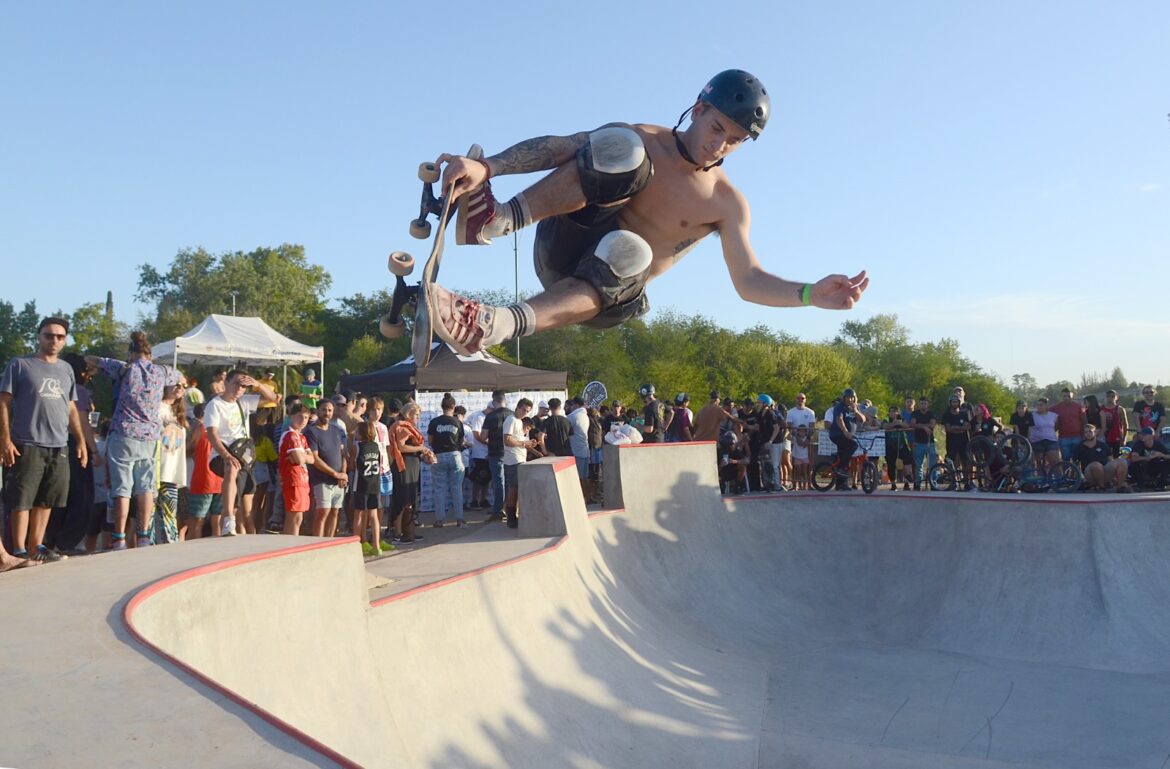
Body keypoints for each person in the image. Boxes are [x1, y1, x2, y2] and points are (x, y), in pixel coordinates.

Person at [425, 70, 868, 355]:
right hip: (562, 245)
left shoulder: (726, 203)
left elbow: (749, 280)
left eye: (733, 140)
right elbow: (562, 146)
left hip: (606, 294)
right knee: (622, 148)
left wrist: (810, 294)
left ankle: (493, 324)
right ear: (698, 111)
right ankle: (496, 220)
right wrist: (489, 167)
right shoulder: (646, 136)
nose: (719, 145)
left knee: (629, 249)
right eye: (716, 129)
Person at [0, 317, 87, 563]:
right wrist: (5, 438)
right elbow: (3, 402)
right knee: (22, 499)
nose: (54, 340)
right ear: (38, 336)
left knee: (48, 499)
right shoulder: (20, 365)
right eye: (49, 335)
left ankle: (36, 546)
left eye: (60, 336)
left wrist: (79, 439)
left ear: (65, 339)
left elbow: (71, 407)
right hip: (26, 442)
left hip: (58, 443)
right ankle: (17, 550)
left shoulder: (66, 369)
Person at [88, 331, 167, 548]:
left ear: (131, 353)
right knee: (146, 487)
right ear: (150, 354)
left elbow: (93, 360)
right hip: (150, 435)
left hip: (124, 433)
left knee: (122, 488)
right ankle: (143, 536)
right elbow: (180, 378)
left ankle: (119, 538)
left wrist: (96, 366)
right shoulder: (161, 371)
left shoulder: (123, 368)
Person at [204, 370, 277, 536]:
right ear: (226, 383)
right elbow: (211, 434)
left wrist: (257, 384)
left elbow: (273, 399)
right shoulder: (215, 405)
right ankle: (229, 521)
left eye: (244, 385)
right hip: (222, 454)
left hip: (244, 455)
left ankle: (242, 531)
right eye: (237, 383)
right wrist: (226, 455)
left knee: (245, 498)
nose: (240, 388)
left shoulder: (243, 402)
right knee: (231, 469)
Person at [389, 403, 434, 542]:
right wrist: (420, 449)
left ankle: (408, 531)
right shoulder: (401, 425)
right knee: (402, 500)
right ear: (408, 414)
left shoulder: (409, 427)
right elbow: (401, 447)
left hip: (412, 465)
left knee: (410, 499)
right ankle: (398, 532)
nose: (418, 418)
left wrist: (425, 456)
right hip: (403, 466)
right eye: (416, 415)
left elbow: (413, 449)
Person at [153, 375, 188, 544]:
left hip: (173, 471)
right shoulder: (156, 407)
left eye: (183, 385)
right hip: (157, 469)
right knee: (152, 512)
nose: (180, 387)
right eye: (176, 384)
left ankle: (169, 544)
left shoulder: (178, 413)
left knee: (170, 513)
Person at [305, 400, 348, 538]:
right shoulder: (311, 431)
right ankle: (317, 543)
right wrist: (335, 474)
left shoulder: (336, 430)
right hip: (321, 479)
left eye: (329, 410)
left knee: (335, 512)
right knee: (323, 512)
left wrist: (343, 474)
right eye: (324, 410)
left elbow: (343, 454)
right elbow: (315, 459)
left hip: (338, 480)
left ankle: (329, 541)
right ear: (318, 411)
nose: (327, 413)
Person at [427, 393, 466, 528]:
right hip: (455, 454)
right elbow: (461, 441)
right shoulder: (458, 422)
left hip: (439, 455)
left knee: (439, 488)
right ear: (453, 407)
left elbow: (430, 441)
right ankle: (459, 519)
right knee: (456, 488)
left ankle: (439, 520)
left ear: (442, 406)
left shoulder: (434, 422)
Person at [186, 403, 221, 539]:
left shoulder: (200, 429)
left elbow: (189, 451)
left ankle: (194, 552)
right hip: (220, 479)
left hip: (203, 479)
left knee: (197, 521)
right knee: (217, 520)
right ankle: (216, 551)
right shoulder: (222, 430)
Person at [278, 403, 313, 536]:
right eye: (299, 417)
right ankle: (291, 545)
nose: (302, 420)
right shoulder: (290, 435)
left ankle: (289, 544)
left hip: (302, 479)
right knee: (295, 516)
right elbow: (299, 459)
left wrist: (303, 457)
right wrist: (303, 456)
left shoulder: (302, 437)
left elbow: (312, 459)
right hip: (293, 479)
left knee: (298, 516)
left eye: (305, 417)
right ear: (291, 417)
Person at [478, 391, 512, 522]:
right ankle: (509, 509)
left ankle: (498, 511)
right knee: (510, 483)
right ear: (505, 400)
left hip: (495, 452)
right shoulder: (512, 415)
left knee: (499, 483)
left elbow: (483, 436)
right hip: (510, 453)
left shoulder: (490, 417)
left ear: (494, 402)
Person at [350, 421, 384, 554]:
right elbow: (380, 462)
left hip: (361, 484)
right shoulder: (377, 446)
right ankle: (376, 545)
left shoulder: (357, 447)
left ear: (362, 433)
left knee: (358, 514)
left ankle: (356, 544)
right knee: (373, 515)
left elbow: (352, 464)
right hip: (375, 484)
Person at [1073, 424, 1129, 492]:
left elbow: (1110, 460)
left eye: (1090, 432)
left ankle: (1120, 486)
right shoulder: (1079, 447)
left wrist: (1114, 476)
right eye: (1086, 432)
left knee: (1122, 461)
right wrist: (1080, 479)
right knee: (1096, 465)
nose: (1088, 434)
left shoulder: (1103, 445)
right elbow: (1075, 464)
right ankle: (1101, 487)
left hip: (1104, 470)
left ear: (1095, 432)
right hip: (1089, 473)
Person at [827, 388, 864, 490]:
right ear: (844, 398)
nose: (850, 400)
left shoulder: (854, 407)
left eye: (852, 397)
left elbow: (862, 419)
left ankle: (841, 484)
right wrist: (845, 431)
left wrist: (855, 411)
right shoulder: (839, 407)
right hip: (837, 434)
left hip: (846, 436)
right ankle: (842, 468)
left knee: (845, 457)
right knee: (853, 445)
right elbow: (839, 419)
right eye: (848, 397)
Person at [940, 394, 975, 491]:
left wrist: (956, 428)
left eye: (956, 402)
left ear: (959, 403)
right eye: (953, 402)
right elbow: (948, 428)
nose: (954, 404)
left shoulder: (964, 414)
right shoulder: (946, 415)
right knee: (950, 461)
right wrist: (960, 428)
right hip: (951, 442)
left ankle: (967, 482)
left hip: (963, 441)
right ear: (950, 403)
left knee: (965, 462)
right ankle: (953, 482)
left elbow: (967, 427)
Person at [464, 398, 492, 511]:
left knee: (487, 478)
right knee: (479, 478)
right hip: (480, 454)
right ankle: (474, 500)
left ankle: (483, 500)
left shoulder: (489, 417)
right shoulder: (479, 417)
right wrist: (490, 443)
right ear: (489, 408)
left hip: (489, 453)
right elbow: (476, 434)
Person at [567, 396, 593, 502]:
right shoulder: (585, 416)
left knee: (578, 479)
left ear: (576, 405)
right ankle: (586, 499)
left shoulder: (573, 416)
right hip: (584, 451)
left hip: (576, 451)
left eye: (572, 405)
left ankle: (581, 500)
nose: (570, 407)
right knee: (584, 477)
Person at [1050, 387, 1086, 461]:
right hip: (1063, 438)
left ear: (1072, 396)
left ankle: (1076, 472)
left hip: (1077, 437)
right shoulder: (1055, 408)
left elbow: (1084, 420)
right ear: (1061, 396)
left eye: (1068, 396)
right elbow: (1045, 412)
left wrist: (1084, 434)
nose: (1066, 398)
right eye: (1064, 396)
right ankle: (1066, 473)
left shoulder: (1078, 407)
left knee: (1077, 459)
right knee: (1066, 459)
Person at [908, 397, 937, 491]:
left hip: (930, 442)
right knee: (918, 465)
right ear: (918, 404)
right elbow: (912, 424)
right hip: (918, 442)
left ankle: (933, 483)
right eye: (921, 403)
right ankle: (917, 484)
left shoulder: (931, 414)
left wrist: (920, 425)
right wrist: (925, 427)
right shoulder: (915, 413)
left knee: (933, 464)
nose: (923, 405)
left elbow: (932, 425)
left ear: (927, 404)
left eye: (925, 403)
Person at [883, 405, 913, 491]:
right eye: (891, 411)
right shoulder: (886, 419)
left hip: (902, 444)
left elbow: (907, 426)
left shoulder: (902, 419)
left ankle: (907, 481)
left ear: (898, 412)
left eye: (895, 411)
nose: (893, 413)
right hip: (890, 446)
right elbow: (885, 426)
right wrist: (893, 424)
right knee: (891, 465)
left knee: (908, 459)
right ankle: (893, 484)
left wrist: (899, 423)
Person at [1029, 398, 1061, 470]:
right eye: (1037, 405)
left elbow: (1056, 426)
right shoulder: (1032, 415)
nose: (1039, 407)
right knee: (1039, 463)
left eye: (1041, 405)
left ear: (1046, 406)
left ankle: (1058, 480)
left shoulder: (1054, 415)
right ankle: (1041, 479)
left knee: (1055, 462)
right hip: (1037, 441)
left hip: (1051, 440)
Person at [1100, 389, 1129, 457]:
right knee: (1105, 457)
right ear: (1105, 397)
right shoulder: (1101, 408)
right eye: (1108, 396)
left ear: (1116, 397)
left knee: (1117, 457)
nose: (1110, 398)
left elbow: (1125, 425)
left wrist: (1124, 439)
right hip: (1105, 437)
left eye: (1113, 396)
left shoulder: (1120, 409)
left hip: (1117, 437)